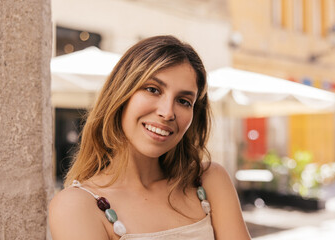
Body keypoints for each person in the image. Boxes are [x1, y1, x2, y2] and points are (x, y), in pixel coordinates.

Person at [49, 35, 251, 240]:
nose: (167, 112)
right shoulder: (78, 206)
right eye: (152, 89)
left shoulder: (209, 181)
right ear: (121, 94)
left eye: (183, 101)